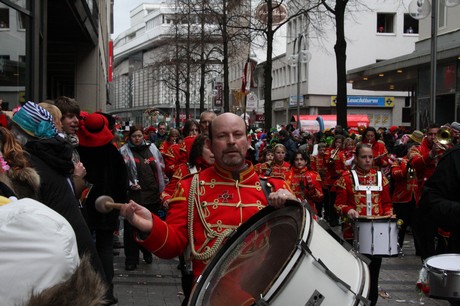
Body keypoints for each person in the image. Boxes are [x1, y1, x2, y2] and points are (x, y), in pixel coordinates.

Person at [120, 113, 295, 299]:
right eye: (222, 136)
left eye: (237, 134)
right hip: (209, 297)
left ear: (248, 140)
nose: (231, 141)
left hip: (267, 295)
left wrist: (293, 207)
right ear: (210, 145)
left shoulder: (276, 187)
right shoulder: (190, 187)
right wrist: (151, 227)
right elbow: (172, 246)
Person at [9, 101, 114, 304]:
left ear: (26, 132)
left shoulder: (31, 163)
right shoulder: (52, 156)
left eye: (15, 129)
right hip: (72, 246)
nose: (12, 134)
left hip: (62, 251)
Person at [77, 112, 129, 304]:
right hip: (106, 205)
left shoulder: (78, 151)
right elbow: (122, 182)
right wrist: (118, 206)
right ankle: (107, 290)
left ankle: (87, 289)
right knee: (105, 248)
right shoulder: (111, 152)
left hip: (83, 206)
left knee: (85, 248)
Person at [335, 143, 393, 306]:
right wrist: (349, 211)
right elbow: (338, 205)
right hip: (352, 234)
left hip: (377, 234)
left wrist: (389, 213)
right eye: (363, 157)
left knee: (373, 276)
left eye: (370, 157)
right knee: (355, 275)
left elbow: (387, 203)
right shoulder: (346, 178)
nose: (368, 160)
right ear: (356, 157)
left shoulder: (381, 177)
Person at [119, 125, 166, 271]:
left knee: (147, 228)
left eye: (139, 136)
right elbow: (120, 172)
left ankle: (146, 250)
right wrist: (128, 184)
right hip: (133, 196)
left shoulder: (151, 149)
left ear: (143, 136)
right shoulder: (123, 151)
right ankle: (131, 259)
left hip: (151, 195)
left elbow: (160, 168)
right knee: (130, 228)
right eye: (134, 136)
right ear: (129, 137)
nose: (137, 139)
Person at [287, 149, 323, 213]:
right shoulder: (287, 175)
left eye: (301, 159)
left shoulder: (314, 175)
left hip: (308, 210)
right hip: (291, 209)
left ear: (306, 161)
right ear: (293, 161)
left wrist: (312, 190)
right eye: (296, 159)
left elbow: (319, 198)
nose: (299, 162)